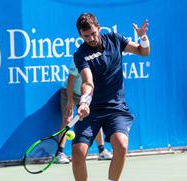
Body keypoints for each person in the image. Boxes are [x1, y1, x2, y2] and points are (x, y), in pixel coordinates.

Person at [71, 13, 150, 181]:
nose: (91, 39)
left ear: (98, 28)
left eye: (93, 33)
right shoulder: (80, 54)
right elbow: (87, 81)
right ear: (80, 35)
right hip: (91, 110)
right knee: (78, 152)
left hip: (116, 108)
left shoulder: (115, 39)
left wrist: (143, 38)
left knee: (121, 145)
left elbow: (143, 52)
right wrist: (84, 102)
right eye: (86, 36)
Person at [56, 60, 112, 164]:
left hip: (86, 95)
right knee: (68, 119)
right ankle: (59, 153)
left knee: (95, 119)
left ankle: (101, 150)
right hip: (70, 92)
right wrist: (70, 101)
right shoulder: (79, 59)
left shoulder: (101, 62)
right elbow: (70, 80)